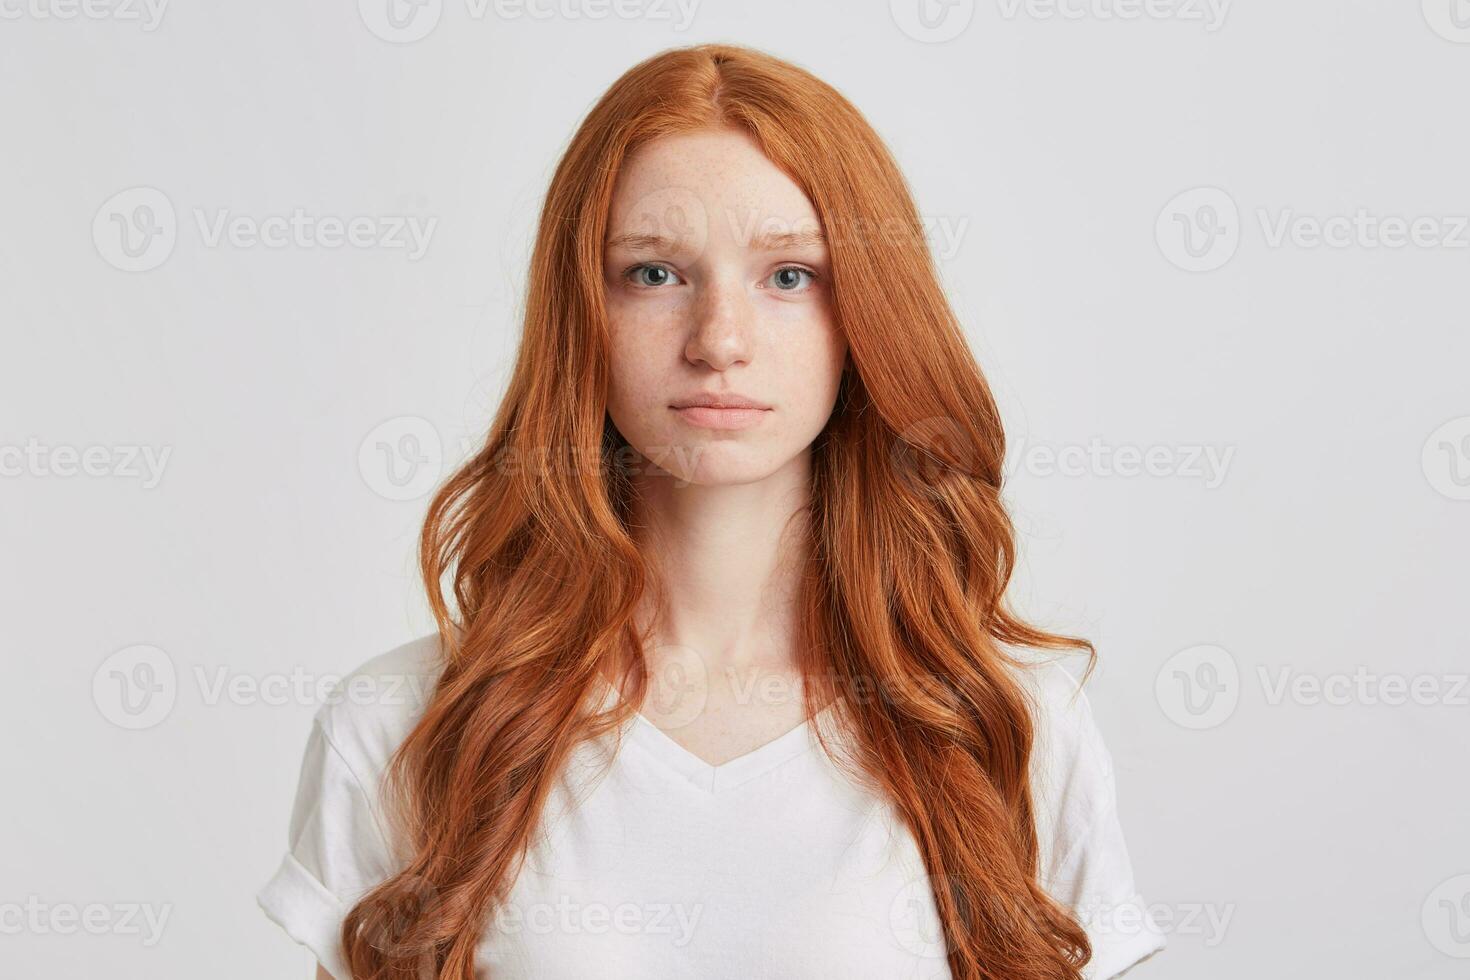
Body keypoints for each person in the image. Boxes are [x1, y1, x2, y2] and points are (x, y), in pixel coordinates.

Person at [257, 43, 1166, 980]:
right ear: (582, 310)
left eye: (788, 276)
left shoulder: (1007, 718)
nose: (720, 341)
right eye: (655, 274)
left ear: (866, 315)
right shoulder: (405, 722)